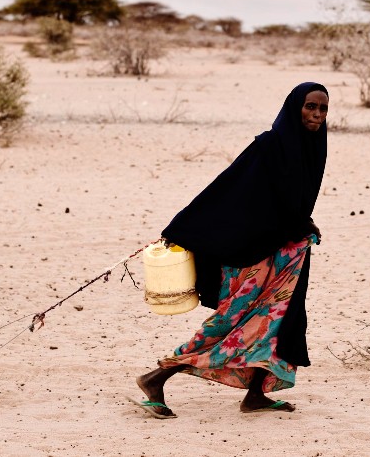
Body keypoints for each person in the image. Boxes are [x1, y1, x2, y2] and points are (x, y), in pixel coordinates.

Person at [131, 82, 329, 419]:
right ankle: (157, 377)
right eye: (311, 106)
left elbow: (293, 204)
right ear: (295, 106)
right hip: (255, 254)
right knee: (234, 323)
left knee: (283, 322)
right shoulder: (269, 145)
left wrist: (303, 226)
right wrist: (183, 228)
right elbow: (231, 191)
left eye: (323, 109)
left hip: (289, 254)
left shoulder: (314, 147)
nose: (317, 115)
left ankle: (255, 395)